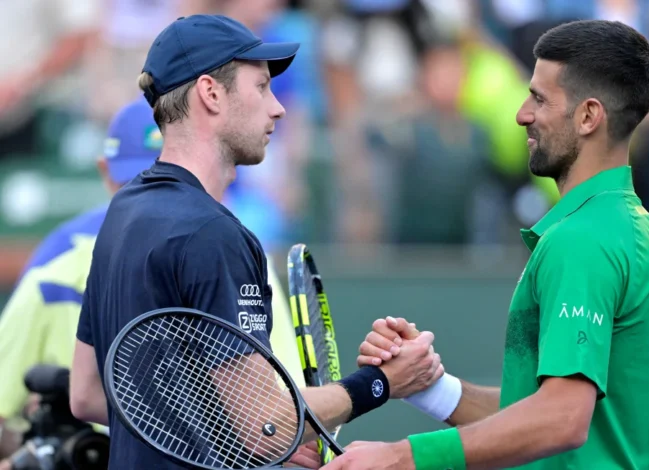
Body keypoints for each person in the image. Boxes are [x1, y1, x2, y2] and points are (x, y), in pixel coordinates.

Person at [68, 14, 444, 470]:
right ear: (211, 93)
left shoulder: (121, 213)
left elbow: (88, 395)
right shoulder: (213, 233)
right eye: (261, 87)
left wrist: (231, 434)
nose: (278, 108)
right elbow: (266, 429)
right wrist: (381, 381)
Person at [325, 20, 649, 470]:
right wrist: (429, 386)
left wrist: (403, 457)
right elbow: (545, 412)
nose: (521, 114)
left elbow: (561, 420)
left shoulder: (581, 242)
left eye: (538, 98)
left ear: (589, 116)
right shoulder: (638, 231)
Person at [0, 96, 161, 459]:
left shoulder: (238, 255)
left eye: (163, 181)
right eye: (133, 181)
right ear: (105, 172)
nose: (149, 198)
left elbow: (270, 412)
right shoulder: (54, 269)